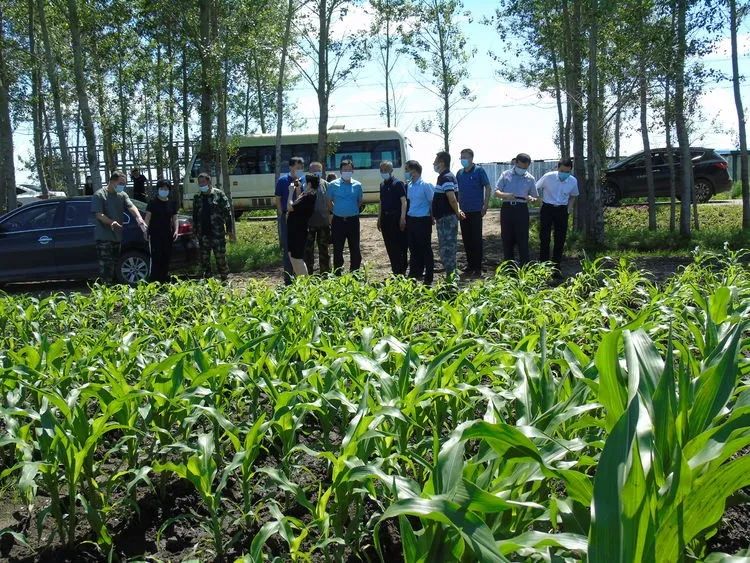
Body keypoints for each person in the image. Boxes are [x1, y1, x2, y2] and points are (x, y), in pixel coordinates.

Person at [92, 170, 147, 283]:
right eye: (121, 183)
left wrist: (139, 218)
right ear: (112, 181)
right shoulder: (100, 195)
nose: (123, 186)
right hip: (104, 237)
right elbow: (99, 214)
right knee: (106, 267)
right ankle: (105, 290)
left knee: (116, 265)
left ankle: (113, 291)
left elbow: (132, 206)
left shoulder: (122, 195)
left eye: (124, 184)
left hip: (117, 237)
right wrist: (111, 222)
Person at [536, 158, 579, 276]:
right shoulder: (548, 177)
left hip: (562, 210)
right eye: (562, 171)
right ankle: (543, 266)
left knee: (560, 239)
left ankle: (556, 267)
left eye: (567, 172)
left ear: (570, 170)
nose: (564, 174)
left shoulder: (572, 181)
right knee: (544, 238)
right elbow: (535, 188)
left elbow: (573, 195)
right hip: (547, 209)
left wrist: (569, 208)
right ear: (557, 168)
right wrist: (539, 201)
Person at [495, 153, 538, 266]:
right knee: (507, 238)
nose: (523, 169)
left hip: (522, 209)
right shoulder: (505, 175)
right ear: (516, 163)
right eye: (521, 167)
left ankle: (525, 267)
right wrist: (506, 195)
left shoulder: (530, 178)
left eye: (525, 168)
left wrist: (531, 199)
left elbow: (535, 197)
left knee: (523, 239)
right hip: (507, 209)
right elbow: (496, 192)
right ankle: (509, 267)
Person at [192, 172, 235, 281]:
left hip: (217, 233)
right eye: (199, 183)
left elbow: (227, 213)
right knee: (204, 259)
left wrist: (229, 230)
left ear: (209, 182)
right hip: (203, 234)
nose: (201, 184)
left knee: (220, 258)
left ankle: (225, 279)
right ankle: (208, 281)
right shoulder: (197, 197)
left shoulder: (219, 194)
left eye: (203, 182)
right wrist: (195, 230)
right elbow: (195, 215)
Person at [456, 149, 492, 277]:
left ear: (471, 158)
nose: (462, 160)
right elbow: (458, 192)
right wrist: (458, 208)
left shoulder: (479, 171)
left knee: (476, 239)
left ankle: (478, 266)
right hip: (463, 211)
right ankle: (470, 265)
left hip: (476, 210)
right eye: (461, 157)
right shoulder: (459, 173)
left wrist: (485, 205)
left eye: (465, 157)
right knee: (466, 239)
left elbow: (488, 187)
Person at [432, 151, 465, 280]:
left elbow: (451, 198)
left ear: (441, 162)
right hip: (443, 218)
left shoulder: (446, 177)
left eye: (435, 161)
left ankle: (452, 278)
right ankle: (451, 276)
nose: (434, 164)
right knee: (446, 249)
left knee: (447, 249)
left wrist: (457, 212)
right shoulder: (444, 177)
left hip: (447, 219)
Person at [328, 159, 363, 275]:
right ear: (340, 171)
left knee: (355, 247)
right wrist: (337, 211)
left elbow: (359, 201)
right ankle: (338, 272)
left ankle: (355, 272)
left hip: (353, 221)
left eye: (349, 169)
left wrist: (351, 210)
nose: (347, 172)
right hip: (338, 221)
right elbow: (329, 202)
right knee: (338, 248)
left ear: (352, 171)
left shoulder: (358, 185)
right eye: (344, 170)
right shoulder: (333, 185)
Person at [276, 157, 305, 284]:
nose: (299, 170)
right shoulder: (282, 181)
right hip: (287, 217)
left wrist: (298, 187)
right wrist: (282, 213)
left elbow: (303, 199)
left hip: (300, 218)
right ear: (290, 167)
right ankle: (288, 279)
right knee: (288, 248)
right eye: (297, 167)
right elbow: (278, 199)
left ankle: (301, 278)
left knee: (300, 247)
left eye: (301, 168)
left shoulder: (303, 181)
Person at [405, 160, 435, 285]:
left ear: (414, 170)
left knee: (425, 248)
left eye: (407, 169)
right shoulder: (409, 185)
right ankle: (414, 274)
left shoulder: (426, 185)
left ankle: (429, 277)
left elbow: (432, 202)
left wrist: (432, 217)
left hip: (423, 220)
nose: (406, 172)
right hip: (411, 219)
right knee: (413, 248)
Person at [144, 179, 179, 282]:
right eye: (162, 188)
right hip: (155, 235)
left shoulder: (172, 203)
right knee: (156, 258)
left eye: (166, 189)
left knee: (166, 257)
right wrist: (145, 231)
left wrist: (176, 230)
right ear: (158, 189)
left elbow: (175, 218)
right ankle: (155, 281)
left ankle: (164, 280)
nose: (164, 190)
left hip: (168, 235)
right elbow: (147, 218)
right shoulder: (152, 202)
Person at [377, 160, 408, 275]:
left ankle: (402, 270)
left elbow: (403, 202)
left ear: (391, 170)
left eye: (386, 170)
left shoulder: (398, 183)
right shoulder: (382, 185)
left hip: (396, 217)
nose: (383, 172)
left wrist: (402, 218)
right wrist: (379, 218)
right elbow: (381, 202)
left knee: (400, 245)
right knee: (389, 245)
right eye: (381, 170)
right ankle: (395, 270)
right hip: (385, 219)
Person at [287, 174, 319, 276]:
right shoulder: (307, 195)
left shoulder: (308, 197)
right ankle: (301, 282)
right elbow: (298, 203)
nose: (302, 184)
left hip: (298, 231)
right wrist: (297, 189)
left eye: (304, 182)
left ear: (309, 184)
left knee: (297, 258)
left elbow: (290, 207)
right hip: (295, 230)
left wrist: (290, 192)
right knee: (292, 255)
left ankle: (305, 283)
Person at [304, 162, 331, 274]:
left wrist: (331, 220)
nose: (316, 173)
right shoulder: (304, 185)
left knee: (324, 250)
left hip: (323, 223)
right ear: (309, 172)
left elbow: (330, 203)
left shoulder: (326, 184)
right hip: (309, 224)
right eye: (314, 171)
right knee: (308, 250)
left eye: (318, 170)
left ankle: (325, 273)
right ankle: (308, 273)